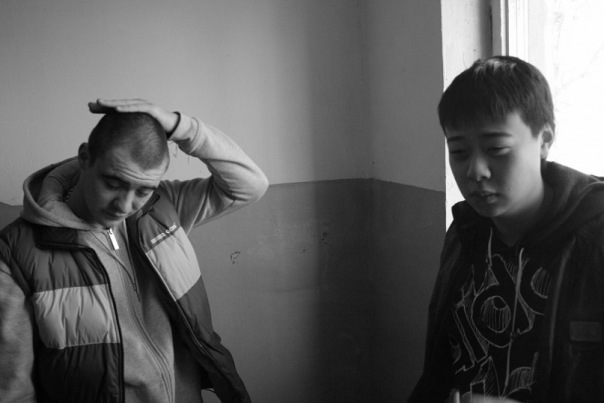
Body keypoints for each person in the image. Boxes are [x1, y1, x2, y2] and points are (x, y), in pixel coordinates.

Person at [0, 99, 269, 402]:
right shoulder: (16, 254)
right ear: (85, 157)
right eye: (113, 183)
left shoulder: (162, 207)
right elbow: (13, 390)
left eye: (143, 190)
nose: (124, 206)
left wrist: (179, 126)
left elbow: (250, 186)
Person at [409, 56, 604, 402]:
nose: (475, 171)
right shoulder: (465, 232)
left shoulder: (595, 239)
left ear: (544, 139)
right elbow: (440, 364)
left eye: (496, 149)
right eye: (459, 151)